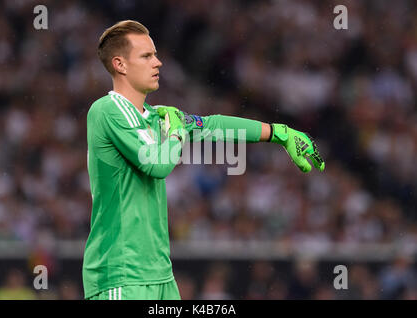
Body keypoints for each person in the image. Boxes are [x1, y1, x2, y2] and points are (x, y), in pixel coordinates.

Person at [83, 20, 325, 300]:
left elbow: (213, 126)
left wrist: (278, 133)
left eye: (156, 54)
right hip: (120, 275)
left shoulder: (155, 116)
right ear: (120, 64)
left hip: (159, 275)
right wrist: (175, 132)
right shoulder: (107, 110)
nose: (158, 63)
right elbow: (157, 164)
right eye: (147, 56)